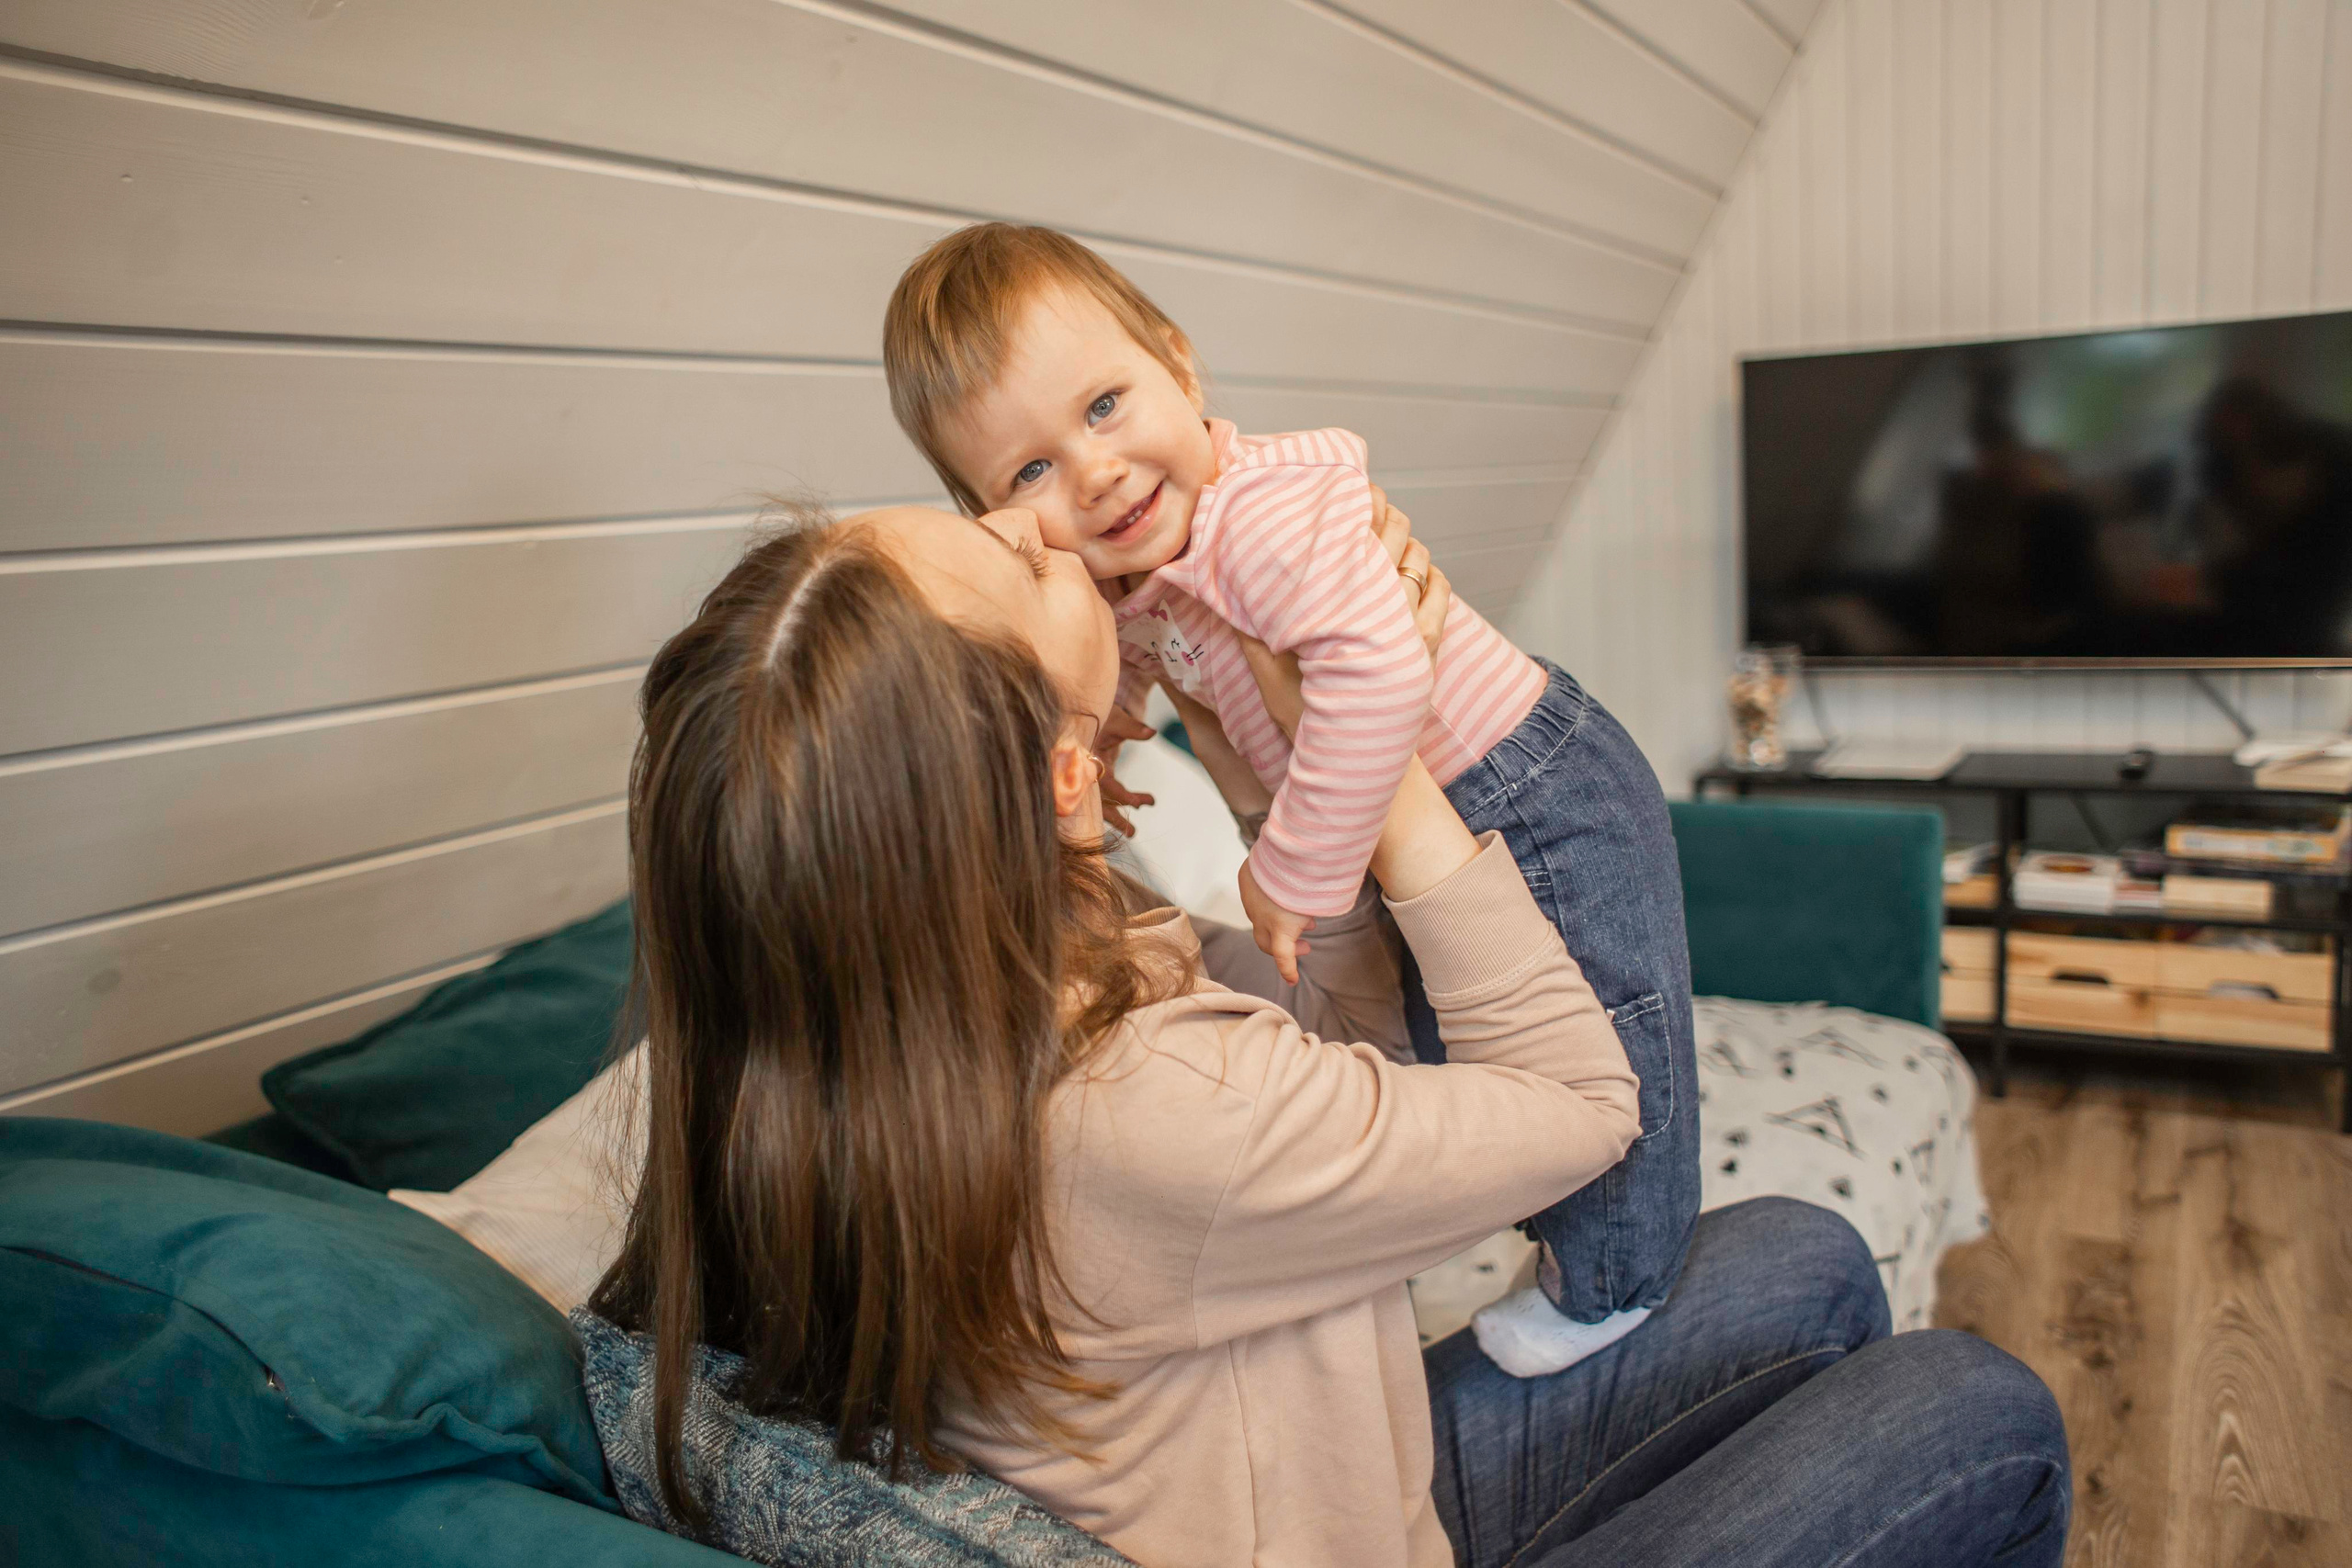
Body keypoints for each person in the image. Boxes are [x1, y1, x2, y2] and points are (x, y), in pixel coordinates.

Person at [589, 501, 2070, 1568]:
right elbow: (1580, 1094)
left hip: (1334, 1487)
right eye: (1023, 552)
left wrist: (1275, 786)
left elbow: (1335, 1030)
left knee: (1801, 1252)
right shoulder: (1151, 1105)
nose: (1046, 514)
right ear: (1046, 785)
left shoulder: (845, 1024)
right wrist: (1385, 736)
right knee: (1983, 1409)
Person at [881, 222, 1698, 1376]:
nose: (1094, 472)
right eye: (1030, 471)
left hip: (1524, 786)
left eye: (1105, 406)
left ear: (1179, 363)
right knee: (1451, 1047)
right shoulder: (1140, 569)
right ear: (999, 520)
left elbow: (1377, 675)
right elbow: (1115, 662)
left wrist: (1292, 872)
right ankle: (1577, 1255)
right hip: (1440, 813)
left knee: (1626, 1035)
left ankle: (1617, 1280)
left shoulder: (1260, 521)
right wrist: (1103, 734)